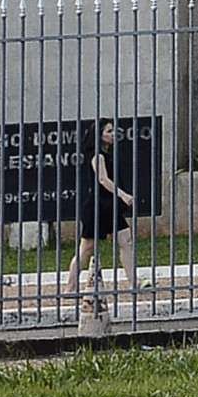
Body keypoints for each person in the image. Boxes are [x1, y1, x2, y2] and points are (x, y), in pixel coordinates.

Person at [65, 120, 138, 308]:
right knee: (86, 248)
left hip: (109, 206)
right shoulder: (97, 156)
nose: (113, 134)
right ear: (99, 135)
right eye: (109, 131)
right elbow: (103, 180)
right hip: (97, 206)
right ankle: (70, 287)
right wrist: (123, 195)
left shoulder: (107, 154)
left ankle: (133, 282)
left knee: (125, 240)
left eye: (113, 131)